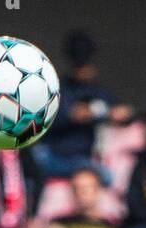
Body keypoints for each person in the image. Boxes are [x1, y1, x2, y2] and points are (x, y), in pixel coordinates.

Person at [33, 30, 132, 182]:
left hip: (82, 158)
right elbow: (41, 122)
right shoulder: (57, 89)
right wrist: (72, 115)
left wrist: (118, 114)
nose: (83, 69)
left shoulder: (96, 90)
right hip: (52, 155)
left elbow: (120, 113)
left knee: (107, 176)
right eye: (79, 63)